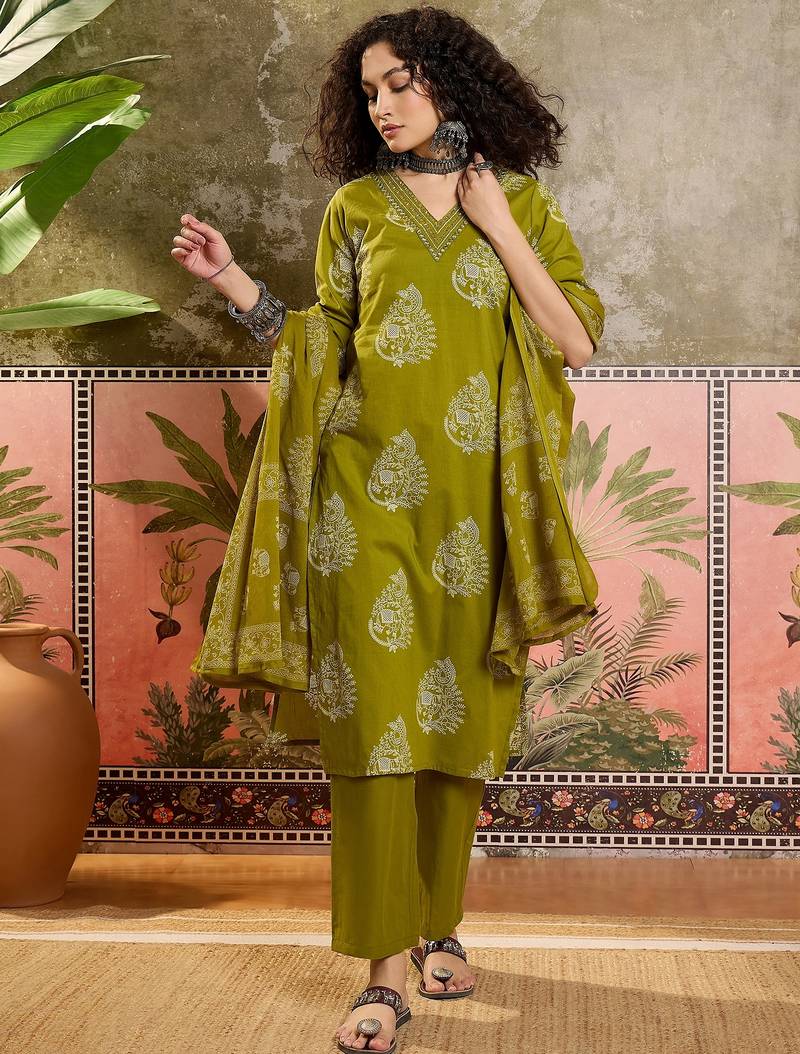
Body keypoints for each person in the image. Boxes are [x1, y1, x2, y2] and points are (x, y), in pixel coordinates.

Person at [172, 6, 605, 1051]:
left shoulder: (523, 205)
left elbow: (576, 342)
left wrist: (496, 222)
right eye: (368, 91)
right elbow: (320, 344)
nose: (383, 105)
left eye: (401, 82)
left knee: (456, 729)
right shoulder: (356, 208)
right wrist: (232, 282)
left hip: (478, 512)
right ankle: (381, 978)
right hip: (358, 506)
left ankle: (437, 927)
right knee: (374, 734)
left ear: (453, 82)